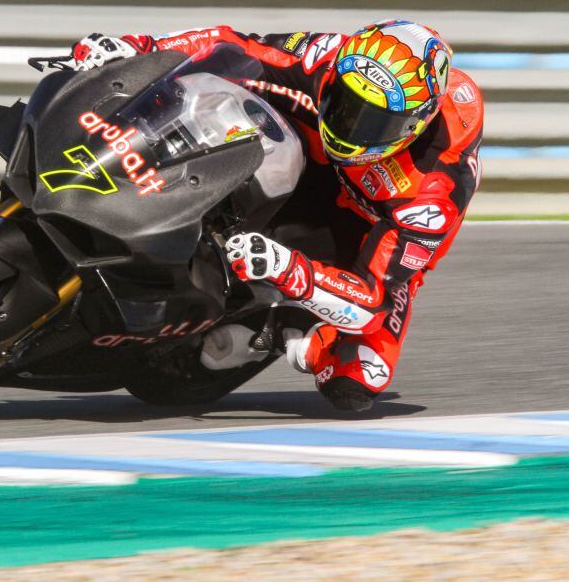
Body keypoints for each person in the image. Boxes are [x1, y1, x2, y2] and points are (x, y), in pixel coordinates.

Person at [65, 21, 483, 411]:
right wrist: (138, 48)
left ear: (414, 126)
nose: (352, 127)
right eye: (346, 104)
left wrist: (291, 271)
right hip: (302, 155)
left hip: (363, 228)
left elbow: (373, 300)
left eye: (375, 122)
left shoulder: (431, 194)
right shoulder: (332, 55)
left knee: (355, 379)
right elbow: (231, 43)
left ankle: (278, 328)